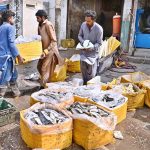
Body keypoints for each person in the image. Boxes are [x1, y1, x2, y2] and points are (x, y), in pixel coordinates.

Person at [35, 10, 64, 86]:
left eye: (38, 18)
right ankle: (46, 82)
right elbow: (39, 38)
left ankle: (43, 86)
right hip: (43, 50)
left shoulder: (48, 25)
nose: (36, 19)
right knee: (39, 67)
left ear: (43, 17)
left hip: (50, 50)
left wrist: (46, 50)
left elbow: (54, 41)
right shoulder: (39, 25)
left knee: (44, 68)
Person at [0, 10, 24, 97]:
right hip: (7, 57)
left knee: (13, 74)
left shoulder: (1, 27)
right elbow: (11, 43)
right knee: (6, 76)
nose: (13, 20)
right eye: (13, 18)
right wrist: (18, 56)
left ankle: (16, 93)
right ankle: (1, 95)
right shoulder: (10, 27)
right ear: (10, 18)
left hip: (2, 56)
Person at [78, 10, 103, 85]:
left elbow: (99, 43)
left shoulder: (99, 29)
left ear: (93, 20)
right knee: (84, 73)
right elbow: (79, 35)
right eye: (86, 20)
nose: (87, 23)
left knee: (91, 75)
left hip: (93, 55)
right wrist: (83, 42)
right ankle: (84, 88)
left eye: (88, 21)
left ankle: (91, 88)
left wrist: (91, 47)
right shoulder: (83, 25)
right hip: (83, 53)